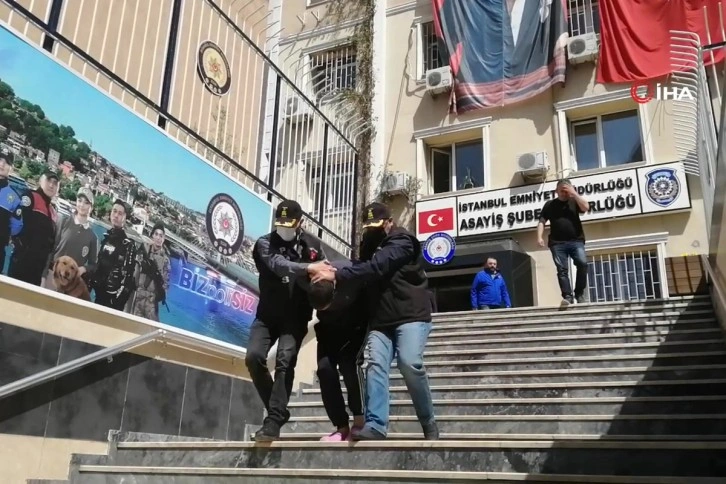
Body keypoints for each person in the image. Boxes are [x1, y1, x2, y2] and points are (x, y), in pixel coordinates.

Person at [313, 202, 438, 441]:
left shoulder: (402, 240)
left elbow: (377, 266)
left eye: (377, 225)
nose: (373, 230)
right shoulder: (368, 245)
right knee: (375, 366)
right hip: (381, 320)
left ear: (389, 222)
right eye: (369, 226)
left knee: (409, 363)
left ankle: (428, 421)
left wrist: (337, 274)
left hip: (411, 314)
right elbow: (361, 268)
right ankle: (377, 425)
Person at [246, 199, 331, 441]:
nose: (283, 228)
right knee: (253, 357)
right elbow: (278, 265)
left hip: (295, 315)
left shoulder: (312, 247)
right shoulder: (264, 243)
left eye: (289, 224)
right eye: (280, 223)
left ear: (300, 223)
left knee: (285, 359)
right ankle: (279, 410)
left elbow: (324, 277)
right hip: (267, 315)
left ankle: (273, 420)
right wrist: (308, 268)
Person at [300, 260, 366, 442]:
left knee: (349, 364)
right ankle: (341, 426)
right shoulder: (309, 277)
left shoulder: (349, 274)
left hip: (355, 328)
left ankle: (360, 420)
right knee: (324, 369)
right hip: (329, 330)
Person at [537, 179, 590, 305]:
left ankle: (579, 293)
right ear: (556, 191)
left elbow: (586, 207)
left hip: (576, 240)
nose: (564, 193)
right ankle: (568, 296)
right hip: (557, 243)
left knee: (582, 264)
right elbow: (542, 221)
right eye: (562, 190)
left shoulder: (574, 201)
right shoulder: (550, 204)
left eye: (567, 190)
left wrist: (574, 193)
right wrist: (539, 237)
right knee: (562, 270)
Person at [9, 169, 59, 285]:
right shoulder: (30, 197)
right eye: (48, 181)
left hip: (37, 270)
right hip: (21, 263)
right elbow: (15, 222)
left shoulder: (52, 212)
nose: (51, 185)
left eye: (55, 183)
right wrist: (20, 248)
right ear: (41, 181)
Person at [42, 187, 98, 291]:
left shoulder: (92, 237)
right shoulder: (63, 222)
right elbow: (50, 250)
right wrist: (43, 276)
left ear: (91, 207)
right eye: (79, 200)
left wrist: (83, 269)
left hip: (71, 285)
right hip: (53, 277)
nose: (82, 205)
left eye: (86, 203)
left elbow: (93, 265)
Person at [91, 199, 137, 310]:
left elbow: (128, 280)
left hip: (113, 300)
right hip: (98, 294)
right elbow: (99, 265)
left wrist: (116, 302)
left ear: (125, 218)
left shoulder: (128, 245)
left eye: (120, 213)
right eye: (114, 211)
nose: (116, 215)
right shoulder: (106, 238)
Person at [131, 222, 170, 321]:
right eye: (156, 234)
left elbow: (166, 282)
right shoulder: (144, 250)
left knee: (151, 329)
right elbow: (135, 270)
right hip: (138, 297)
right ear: (152, 235)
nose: (158, 238)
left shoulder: (165, 260)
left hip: (151, 301)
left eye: (161, 235)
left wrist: (159, 296)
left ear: (163, 239)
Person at [0, 153, 22, 274]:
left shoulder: (15, 198)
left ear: (11, 167)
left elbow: (16, 227)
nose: (2, 164)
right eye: (0, 160)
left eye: (7, 162)